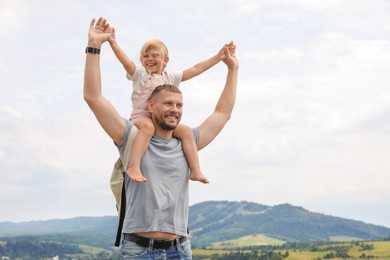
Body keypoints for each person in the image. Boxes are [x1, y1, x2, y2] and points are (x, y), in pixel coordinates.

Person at [83, 17, 238, 259]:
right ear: (151, 105)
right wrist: (95, 47)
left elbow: (222, 113)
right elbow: (93, 97)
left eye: (179, 105)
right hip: (139, 250)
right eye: (168, 103)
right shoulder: (131, 137)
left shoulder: (187, 143)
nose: (174, 109)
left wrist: (232, 68)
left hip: (181, 249)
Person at [107, 27, 230, 184]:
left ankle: (195, 170)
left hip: (161, 120)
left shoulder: (169, 77)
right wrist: (113, 43)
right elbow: (126, 63)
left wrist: (218, 57)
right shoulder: (140, 75)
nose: (149, 59)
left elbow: (195, 69)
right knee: (148, 128)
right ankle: (134, 166)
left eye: (155, 56)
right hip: (141, 117)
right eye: (145, 56)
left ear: (165, 60)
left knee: (186, 131)